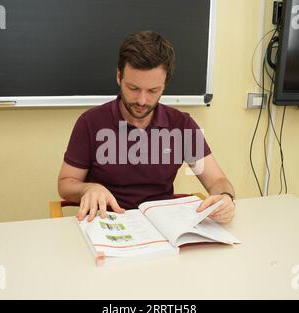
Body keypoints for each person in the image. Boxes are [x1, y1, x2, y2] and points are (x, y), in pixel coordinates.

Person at [58, 31, 235, 224]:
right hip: (108, 223)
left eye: (153, 91)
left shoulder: (182, 126)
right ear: (119, 76)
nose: (142, 101)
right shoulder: (90, 122)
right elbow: (66, 184)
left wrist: (225, 198)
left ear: (165, 84)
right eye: (133, 88)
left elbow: (217, 181)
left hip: (163, 226)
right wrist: (88, 189)